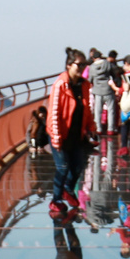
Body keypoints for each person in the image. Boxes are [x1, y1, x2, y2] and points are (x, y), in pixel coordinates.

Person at [45, 50, 96, 213]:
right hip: (60, 133)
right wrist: (56, 138)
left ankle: (67, 189)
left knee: (78, 167)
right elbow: (54, 112)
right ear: (68, 65)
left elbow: (87, 109)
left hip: (76, 134)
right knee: (63, 167)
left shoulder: (85, 85)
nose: (81, 68)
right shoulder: (60, 85)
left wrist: (91, 128)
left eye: (84, 65)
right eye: (78, 64)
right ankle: (55, 200)